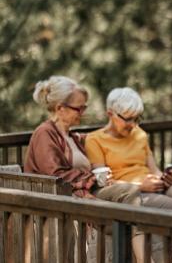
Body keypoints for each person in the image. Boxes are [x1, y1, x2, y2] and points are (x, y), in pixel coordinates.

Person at [23, 76, 145, 261]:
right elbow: (56, 175)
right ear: (60, 108)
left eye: (84, 107)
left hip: (83, 193)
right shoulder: (44, 133)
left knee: (130, 192)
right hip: (61, 200)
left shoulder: (72, 136)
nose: (82, 112)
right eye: (79, 108)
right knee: (126, 218)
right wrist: (92, 178)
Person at [85, 87, 172, 211]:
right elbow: (103, 184)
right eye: (128, 119)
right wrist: (139, 186)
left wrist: (164, 178)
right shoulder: (94, 140)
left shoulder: (139, 134)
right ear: (110, 114)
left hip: (153, 188)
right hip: (131, 195)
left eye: (136, 119)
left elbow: (154, 170)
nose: (133, 125)